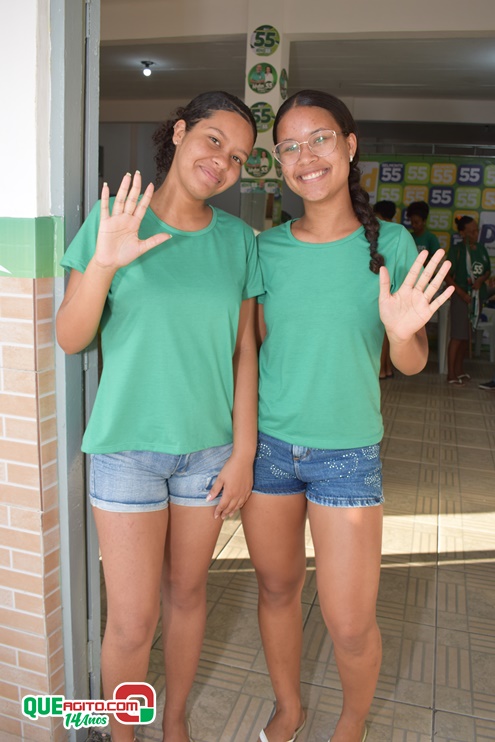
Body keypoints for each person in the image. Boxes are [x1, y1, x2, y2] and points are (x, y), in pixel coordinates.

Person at [241, 90, 454, 742]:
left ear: (350, 144)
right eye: (289, 146)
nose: (305, 156)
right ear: (279, 162)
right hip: (269, 451)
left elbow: (412, 363)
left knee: (350, 622)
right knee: (276, 591)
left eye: (320, 138)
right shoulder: (266, 248)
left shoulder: (390, 243)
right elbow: (254, 350)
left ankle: (351, 725)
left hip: (346, 455)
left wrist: (401, 333)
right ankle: (289, 707)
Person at [56, 91, 262, 742]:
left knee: (188, 595)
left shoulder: (238, 240)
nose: (223, 162)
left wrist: (244, 452)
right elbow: (70, 336)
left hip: (209, 453)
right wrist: (104, 261)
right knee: (131, 621)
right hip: (127, 450)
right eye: (213, 140)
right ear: (178, 132)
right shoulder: (115, 219)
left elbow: (244, 353)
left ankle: (174, 724)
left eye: (238, 157)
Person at [445, 216, 491, 385]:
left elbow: (487, 271)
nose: (476, 234)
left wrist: (481, 280)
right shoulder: (456, 250)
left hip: (476, 299)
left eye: (477, 230)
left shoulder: (481, 249)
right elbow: (447, 276)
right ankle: (451, 373)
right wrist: (462, 294)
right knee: (458, 336)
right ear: (462, 233)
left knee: (467, 336)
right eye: (471, 232)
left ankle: (460, 370)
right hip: (461, 298)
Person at [373, 201, 397, 378]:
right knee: (388, 334)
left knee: (383, 332)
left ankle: (382, 369)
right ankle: (386, 368)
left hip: (384, 288)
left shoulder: (382, 234)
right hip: (392, 286)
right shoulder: (395, 234)